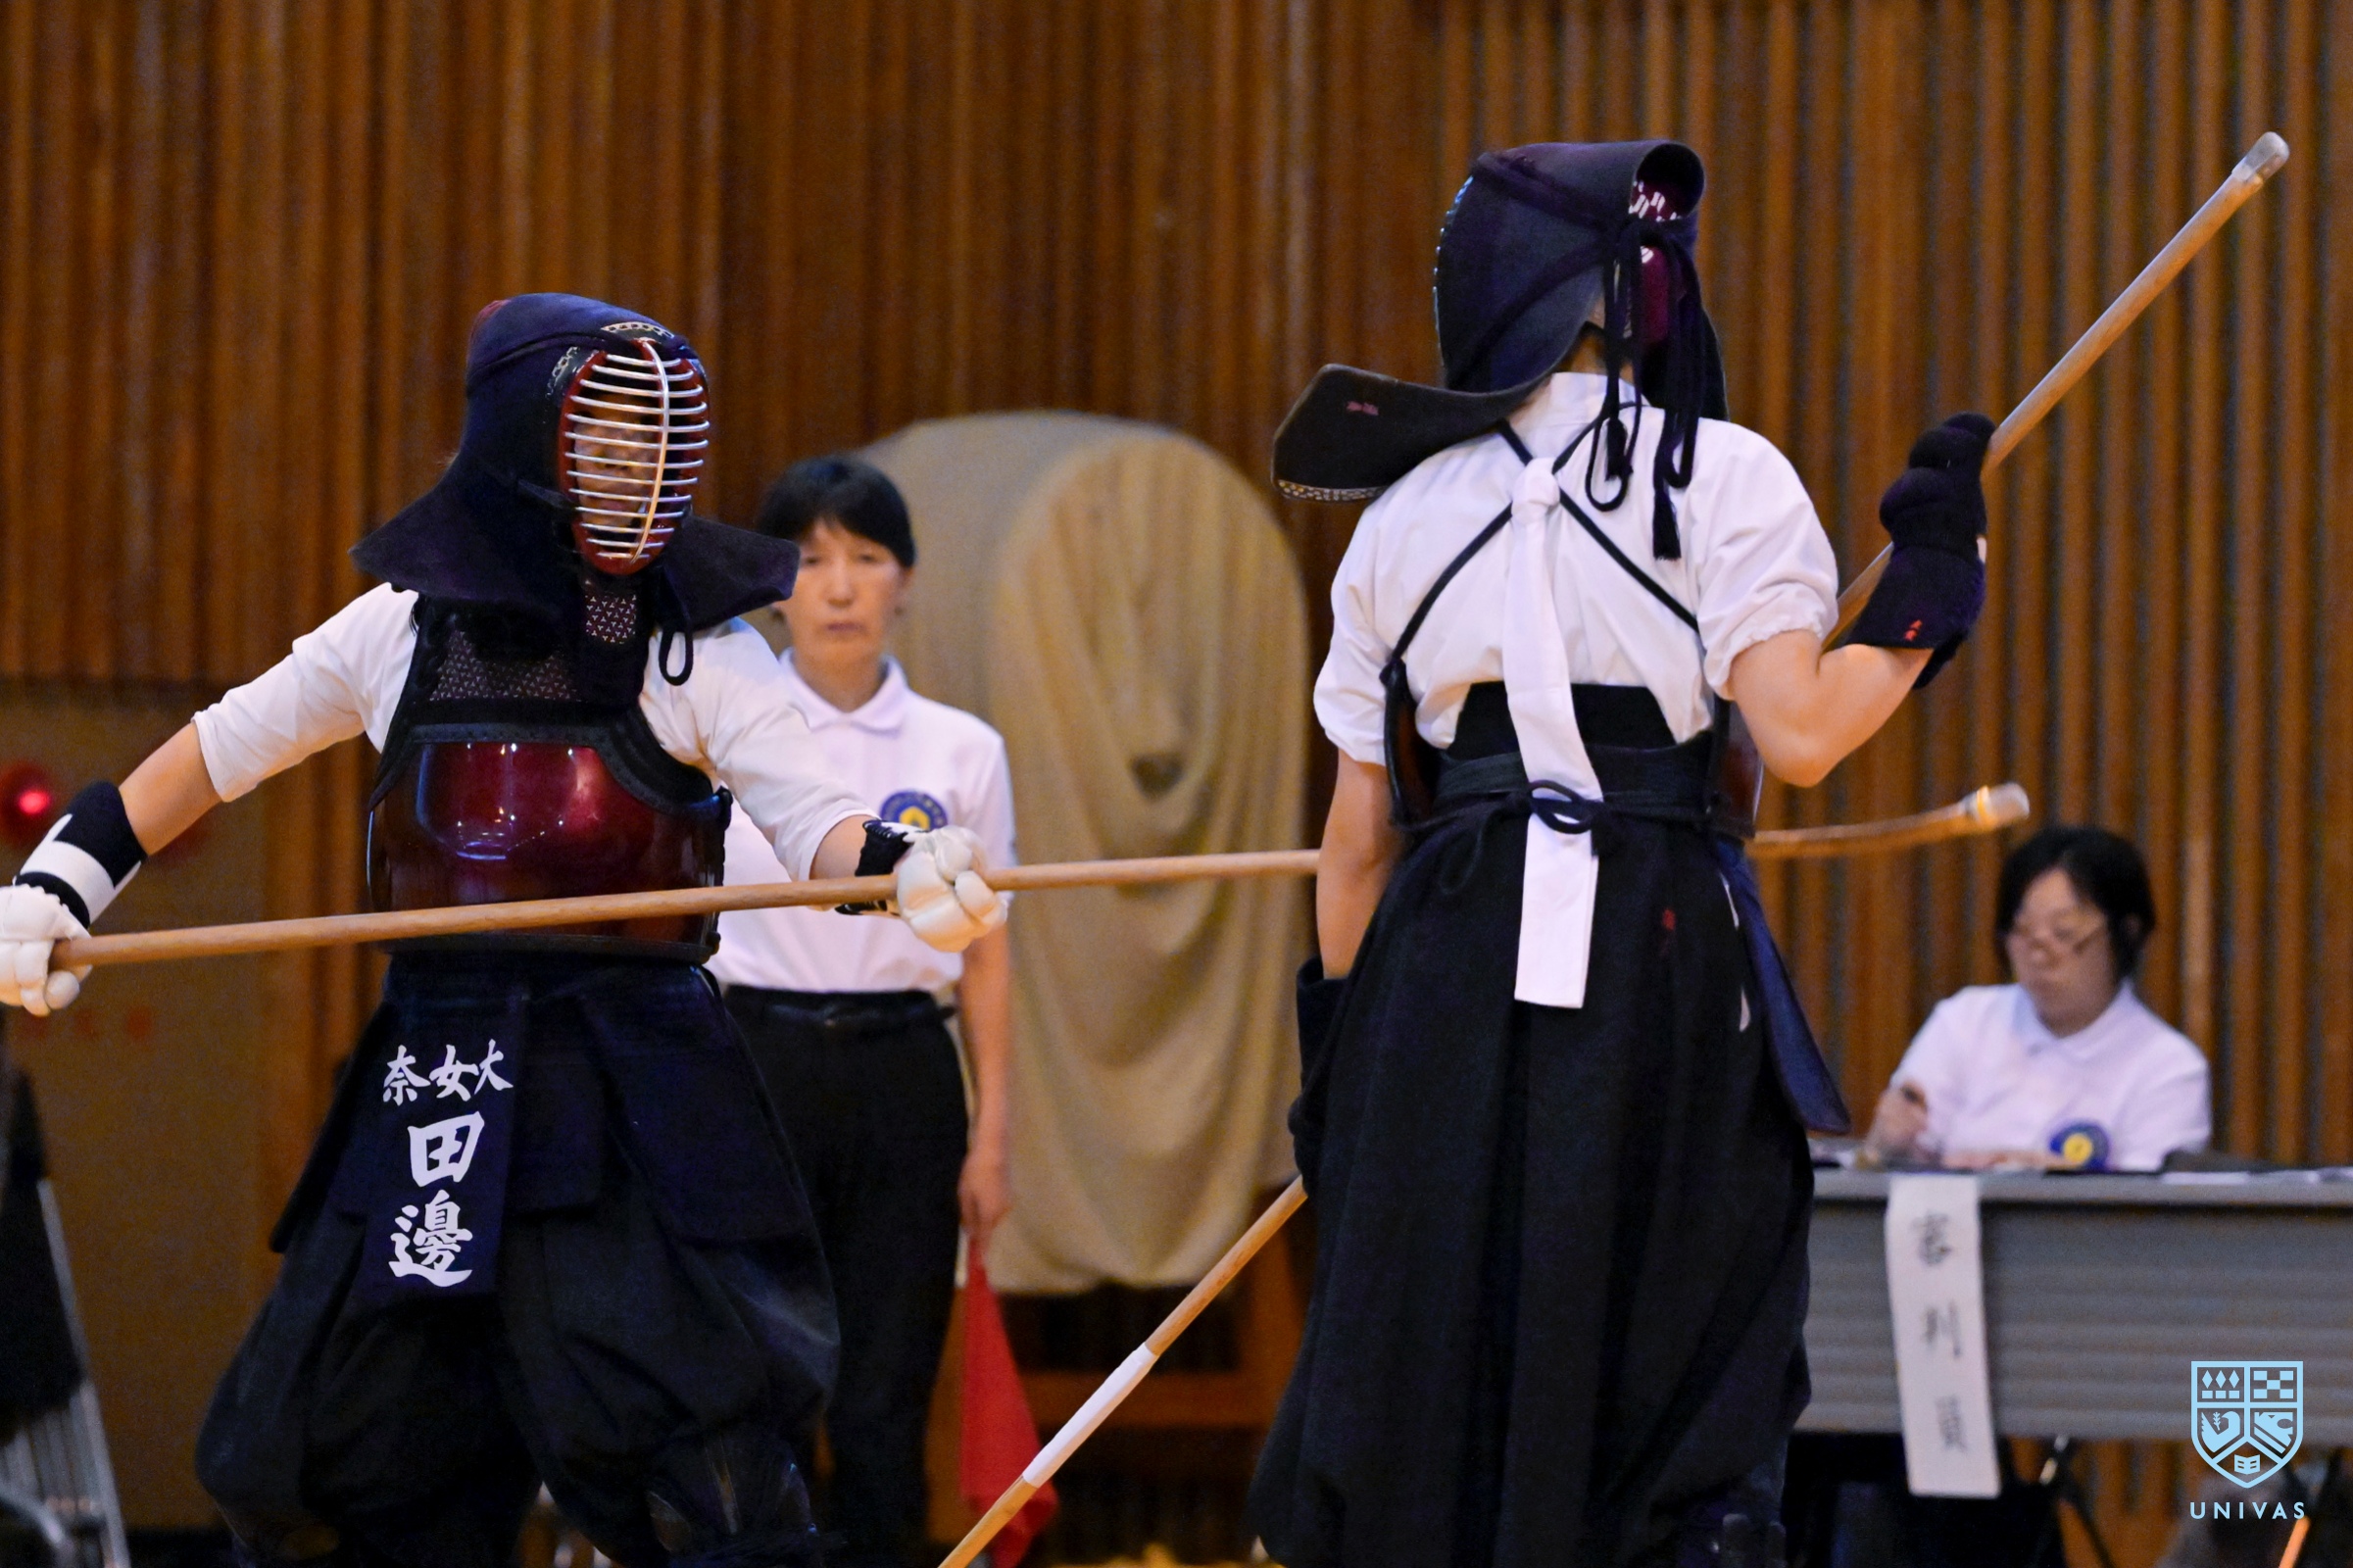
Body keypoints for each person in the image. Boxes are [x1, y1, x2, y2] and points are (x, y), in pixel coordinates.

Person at [0, 294, 1009, 1568]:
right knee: (338, 1463)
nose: (635, 477)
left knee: (705, 1478)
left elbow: (817, 823)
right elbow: (214, 753)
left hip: (634, 1093)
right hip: (442, 1074)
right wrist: (60, 881)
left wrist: (901, 868)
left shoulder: (696, 649)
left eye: (652, 450)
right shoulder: (397, 629)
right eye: (605, 444)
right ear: (522, 447)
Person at [1248, 140, 1994, 1568]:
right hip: (1653, 958)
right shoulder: (1724, 475)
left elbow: (1354, 847)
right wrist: (1930, 588)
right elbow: (1800, 734)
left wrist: (1346, 1079)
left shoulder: (1396, 517)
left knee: (1438, 1356)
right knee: (1677, 1340)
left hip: (1440, 969)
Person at [711, 456, 1015, 1568]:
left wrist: (992, 1135)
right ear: (773, 588)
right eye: (809, 559)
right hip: (757, 1066)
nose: (838, 586)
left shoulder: (961, 749)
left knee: (884, 1395)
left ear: (906, 581)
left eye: (867, 557)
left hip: (903, 1075)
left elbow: (986, 954)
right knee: (763, 1381)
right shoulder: (724, 732)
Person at [1864, 825, 2209, 1171]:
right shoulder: (1965, 1021)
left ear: (2126, 933)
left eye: (2064, 933)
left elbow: (2147, 1200)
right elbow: (1904, 1159)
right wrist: (1888, 1146)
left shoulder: (2168, 1068)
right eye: (2023, 932)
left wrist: (2027, 1173)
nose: (2039, 955)